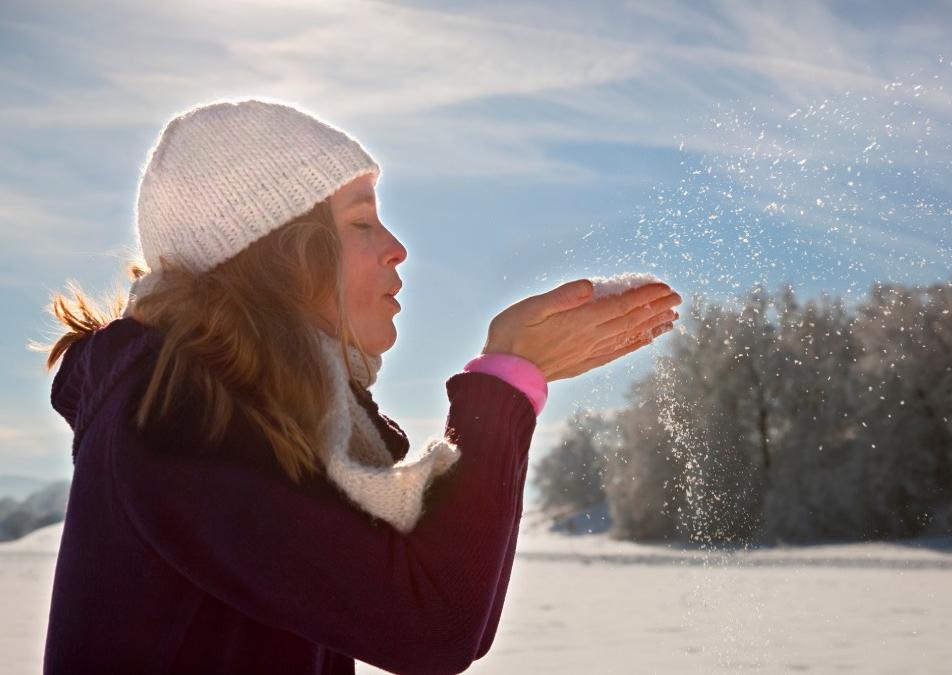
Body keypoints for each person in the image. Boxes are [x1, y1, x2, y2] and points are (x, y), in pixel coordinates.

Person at [36, 98, 681, 674]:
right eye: (362, 222)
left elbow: (459, 613)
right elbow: (431, 623)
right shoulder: (172, 412)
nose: (397, 247)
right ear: (281, 254)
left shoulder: (264, 413)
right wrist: (508, 379)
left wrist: (515, 376)